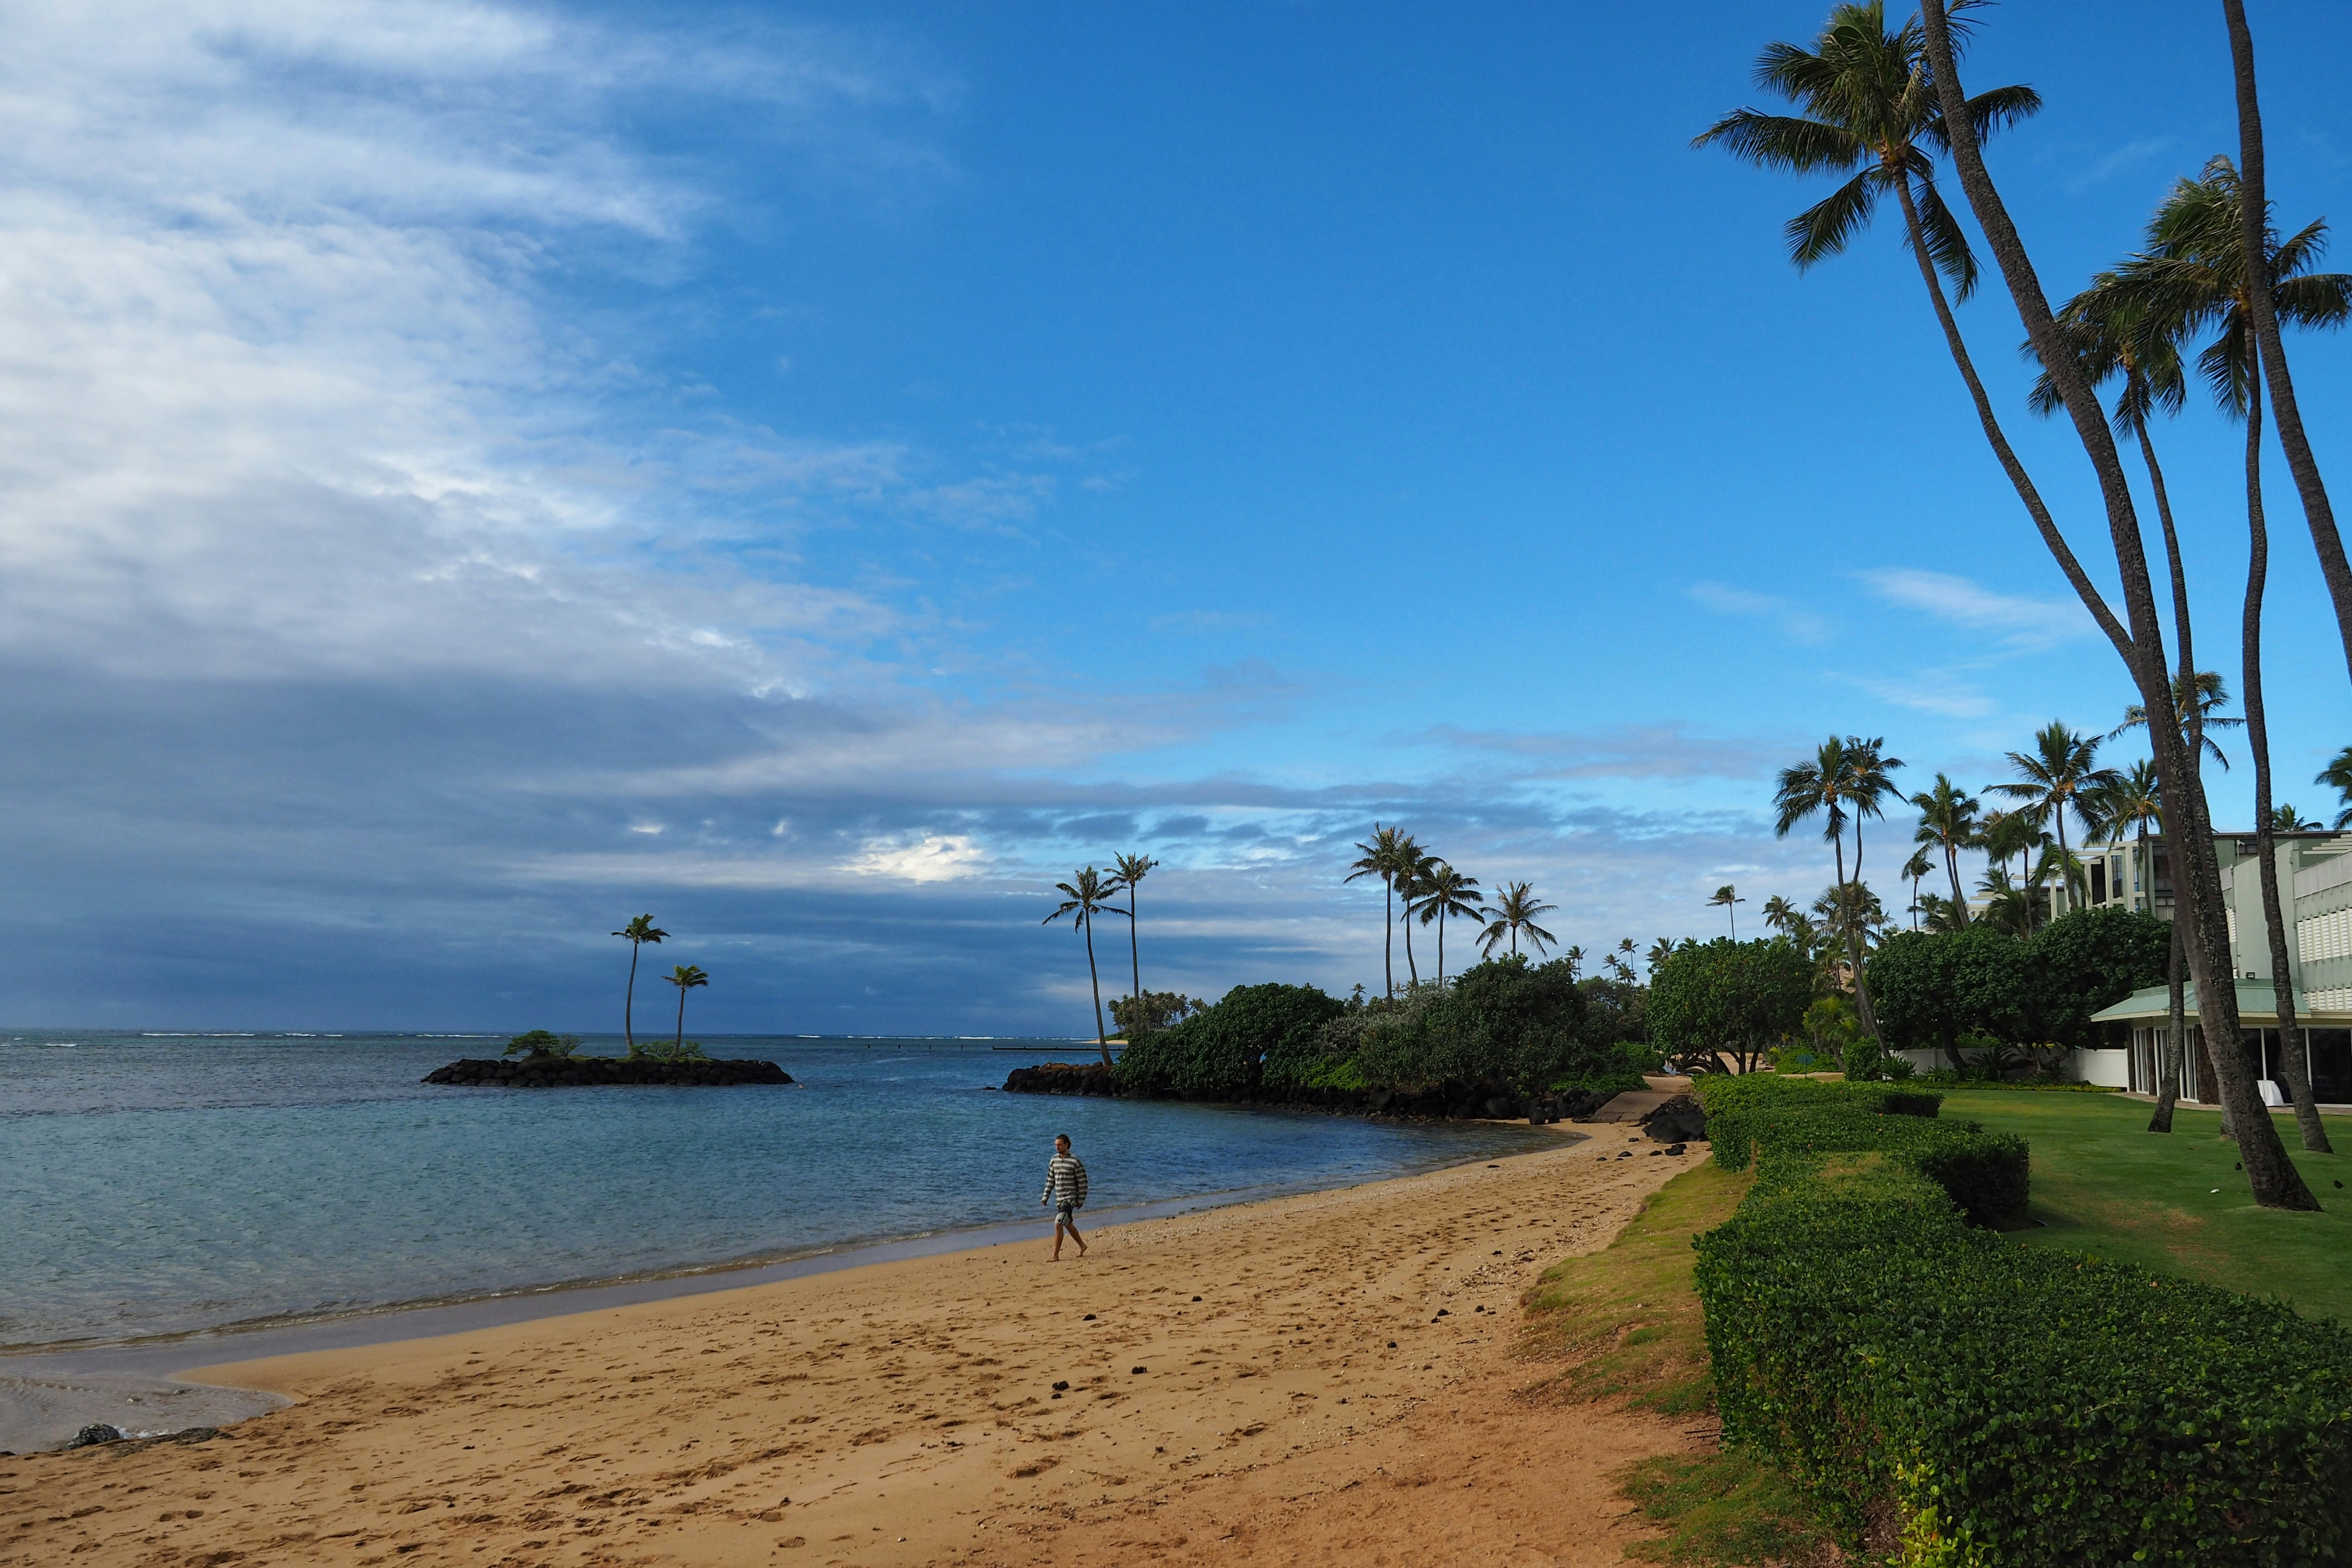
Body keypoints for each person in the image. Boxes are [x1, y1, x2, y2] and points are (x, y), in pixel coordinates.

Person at [1040, 1132, 1088, 1260]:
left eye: (1060, 1145)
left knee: (1058, 1224)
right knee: (1068, 1224)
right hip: (1059, 1199)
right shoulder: (1054, 1160)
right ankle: (1083, 1245)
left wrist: (1081, 1199)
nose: (1057, 1147)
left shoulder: (1075, 1161)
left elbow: (1082, 1181)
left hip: (1070, 1199)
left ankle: (1055, 1255)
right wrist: (1046, 1197)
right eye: (1056, 1145)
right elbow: (1051, 1180)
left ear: (1067, 1145)